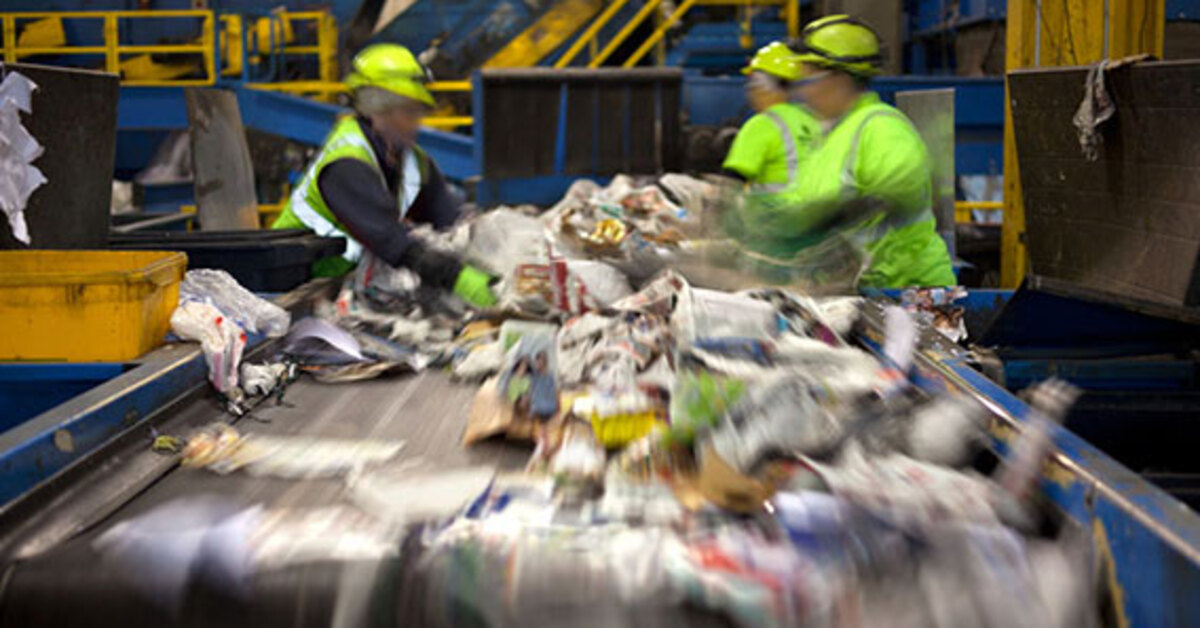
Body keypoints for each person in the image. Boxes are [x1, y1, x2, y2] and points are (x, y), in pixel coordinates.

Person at [737, 16, 955, 288]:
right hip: (860, 291)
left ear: (838, 78)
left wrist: (824, 219)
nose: (802, 91)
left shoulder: (881, 127)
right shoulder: (829, 136)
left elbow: (897, 195)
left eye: (807, 77)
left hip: (907, 296)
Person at [272, 43, 497, 307]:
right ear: (379, 110)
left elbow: (451, 220)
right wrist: (459, 278)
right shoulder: (347, 163)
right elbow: (392, 241)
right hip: (292, 290)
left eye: (418, 112)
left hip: (343, 287)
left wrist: (490, 256)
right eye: (409, 111)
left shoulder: (411, 160)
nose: (417, 122)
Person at [721, 42, 819, 195]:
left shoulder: (763, 124)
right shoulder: (814, 120)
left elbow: (732, 181)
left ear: (762, 86)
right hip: (818, 212)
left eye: (752, 85)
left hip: (773, 214)